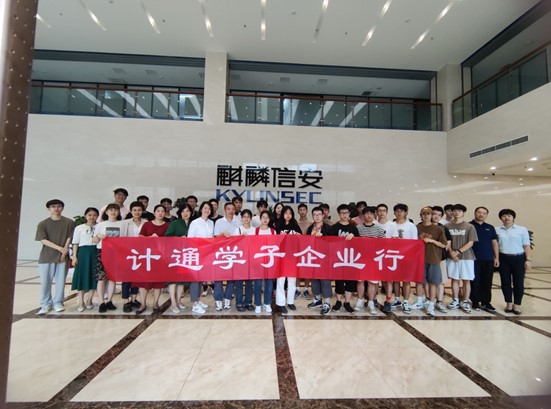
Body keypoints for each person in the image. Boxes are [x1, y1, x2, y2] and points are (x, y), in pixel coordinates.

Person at [35, 199, 75, 314]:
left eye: (59, 206)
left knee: (61, 281)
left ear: (62, 208)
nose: (56, 208)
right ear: (49, 209)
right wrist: (60, 249)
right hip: (46, 257)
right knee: (45, 282)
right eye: (53, 206)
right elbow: (43, 240)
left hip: (63, 257)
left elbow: (70, 237)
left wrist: (64, 251)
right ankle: (45, 304)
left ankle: (58, 302)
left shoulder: (69, 222)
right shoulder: (43, 224)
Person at [133, 205, 170, 314]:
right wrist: (150, 237)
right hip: (147, 257)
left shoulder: (168, 225)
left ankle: (155, 303)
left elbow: (170, 240)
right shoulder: (147, 224)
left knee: (158, 282)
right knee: (144, 281)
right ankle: (143, 303)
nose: (160, 213)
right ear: (154, 213)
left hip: (160, 257)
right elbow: (140, 237)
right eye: (158, 211)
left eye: (162, 211)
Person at [496, 208, 531, 315]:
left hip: (518, 258)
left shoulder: (522, 229)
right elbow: (495, 245)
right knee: (505, 282)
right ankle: (509, 304)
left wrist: (528, 259)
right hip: (503, 258)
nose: (506, 218)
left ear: (513, 217)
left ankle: (517, 305)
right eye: (504, 216)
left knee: (518, 282)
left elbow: (526, 245)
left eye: (509, 215)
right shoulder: (497, 230)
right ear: (501, 218)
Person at [385, 203, 419, 313]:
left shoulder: (411, 226)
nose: (399, 213)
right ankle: (397, 299)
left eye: (401, 211)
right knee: (395, 279)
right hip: (394, 255)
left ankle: (406, 301)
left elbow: (414, 243)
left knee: (406, 280)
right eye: (397, 211)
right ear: (394, 212)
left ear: (406, 212)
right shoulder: (391, 225)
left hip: (407, 256)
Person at [446, 204, 478, 314]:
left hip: (466, 257)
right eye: (454, 211)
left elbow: (471, 242)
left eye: (459, 211)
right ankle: (455, 300)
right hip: (452, 257)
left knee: (466, 280)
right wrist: (451, 253)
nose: (456, 213)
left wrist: (458, 252)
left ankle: (465, 301)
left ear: (463, 213)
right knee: (454, 279)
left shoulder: (469, 226)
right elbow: (446, 242)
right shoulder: (447, 226)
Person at [417, 207, 448, 317]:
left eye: (428, 214)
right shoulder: (416, 227)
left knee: (433, 283)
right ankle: (421, 301)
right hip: (419, 259)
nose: (426, 216)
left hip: (433, 259)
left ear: (431, 215)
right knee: (420, 282)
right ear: (421, 215)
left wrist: (432, 241)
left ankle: (431, 304)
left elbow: (444, 244)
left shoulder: (437, 229)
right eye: (423, 214)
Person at [329, 204, 359, 313]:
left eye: (346, 212)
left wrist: (354, 237)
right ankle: (338, 302)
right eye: (342, 213)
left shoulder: (353, 228)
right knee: (339, 281)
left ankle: (347, 302)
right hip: (338, 258)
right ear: (339, 214)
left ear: (349, 214)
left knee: (350, 281)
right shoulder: (334, 227)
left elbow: (359, 243)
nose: (344, 215)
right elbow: (330, 242)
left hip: (351, 259)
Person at [164, 204, 194, 313]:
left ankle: (179, 301)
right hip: (175, 255)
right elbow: (167, 237)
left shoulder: (193, 223)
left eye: (188, 211)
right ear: (180, 213)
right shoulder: (175, 223)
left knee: (182, 280)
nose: (185, 213)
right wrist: (179, 238)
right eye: (183, 211)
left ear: (191, 213)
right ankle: (173, 303)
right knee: (173, 279)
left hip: (187, 255)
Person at [356, 206, 386, 314]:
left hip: (374, 260)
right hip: (360, 259)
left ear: (374, 215)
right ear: (363, 215)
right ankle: (359, 301)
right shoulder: (358, 228)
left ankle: (371, 302)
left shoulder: (379, 229)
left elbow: (384, 244)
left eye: (371, 213)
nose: (369, 215)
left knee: (372, 283)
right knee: (360, 281)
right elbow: (353, 244)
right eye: (367, 213)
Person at [93, 203, 122, 313]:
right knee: (101, 278)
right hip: (102, 252)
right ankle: (102, 302)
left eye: (115, 210)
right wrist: (98, 236)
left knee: (112, 278)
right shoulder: (101, 225)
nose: (113, 212)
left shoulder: (122, 224)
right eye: (111, 210)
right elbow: (94, 240)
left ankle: (109, 300)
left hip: (116, 253)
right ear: (106, 212)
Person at [470, 206, 499, 312]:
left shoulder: (490, 227)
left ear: (486, 215)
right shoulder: (469, 226)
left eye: (484, 213)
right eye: (479, 212)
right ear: (475, 213)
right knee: (474, 281)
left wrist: (496, 257)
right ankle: (475, 301)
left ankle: (486, 302)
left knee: (487, 281)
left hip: (488, 258)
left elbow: (494, 243)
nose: (481, 214)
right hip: (473, 258)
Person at [187, 201, 214, 314]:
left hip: (207, 254)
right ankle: (195, 304)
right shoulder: (195, 222)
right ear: (201, 209)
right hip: (197, 254)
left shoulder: (211, 223)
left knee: (201, 279)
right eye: (205, 208)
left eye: (209, 209)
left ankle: (198, 300)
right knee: (195, 279)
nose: (207, 210)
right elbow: (190, 238)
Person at [214, 202, 242, 311]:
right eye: (228, 209)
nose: (231, 211)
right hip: (220, 253)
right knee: (218, 278)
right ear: (225, 210)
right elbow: (215, 237)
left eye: (233, 209)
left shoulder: (238, 222)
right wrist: (223, 234)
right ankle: (218, 300)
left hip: (233, 253)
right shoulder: (219, 222)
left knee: (232, 277)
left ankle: (227, 299)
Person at [120, 201, 147, 312]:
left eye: (139, 210)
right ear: (131, 211)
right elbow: (121, 239)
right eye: (134, 210)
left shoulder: (146, 222)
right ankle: (126, 301)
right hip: (128, 253)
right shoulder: (125, 223)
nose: (137, 212)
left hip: (141, 254)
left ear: (142, 211)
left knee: (137, 277)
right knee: (126, 278)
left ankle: (134, 299)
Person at [306, 206, 333, 315]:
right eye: (314, 215)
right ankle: (317, 299)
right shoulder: (310, 228)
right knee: (314, 279)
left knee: (325, 280)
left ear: (323, 215)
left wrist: (323, 237)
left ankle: (327, 302)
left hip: (325, 258)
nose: (317, 217)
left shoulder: (329, 228)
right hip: (313, 257)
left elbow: (333, 243)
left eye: (319, 214)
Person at [71, 207, 99, 312]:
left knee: (94, 277)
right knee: (82, 277)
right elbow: (75, 243)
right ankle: (81, 301)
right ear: (85, 216)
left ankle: (89, 300)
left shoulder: (100, 227)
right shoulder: (79, 228)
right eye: (89, 215)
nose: (92, 217)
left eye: (94, 215)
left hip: (96, 252)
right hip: (83, 253)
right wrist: (74, 256)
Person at [274, 206, 301, 313]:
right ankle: (280, 303)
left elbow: (301, 240)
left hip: (292, 257)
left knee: (292, 280)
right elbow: (274, 242)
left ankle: (290, 302)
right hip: (281, 257)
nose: (288, 215)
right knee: (280, 281)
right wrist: (280, 237)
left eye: (290, 213)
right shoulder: (278, 226)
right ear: (283, 214)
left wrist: (299, 236)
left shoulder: (295, 225)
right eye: (286, 213)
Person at [232, 209, 255, 312]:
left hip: (251, 260)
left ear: (251, 218)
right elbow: (234, 243)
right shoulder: (238, 229)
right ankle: (239, 302)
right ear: (241, 218)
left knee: (249, 283)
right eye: (244, 217)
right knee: (239, 283)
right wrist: (241, 238)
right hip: (240, 260)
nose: (246, 219)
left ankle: (248, 302)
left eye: (248, 217)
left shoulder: (254, 230)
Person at [254, 211, 275, 314]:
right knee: (257, 283)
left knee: (269, 283)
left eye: (267, 217)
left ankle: (267, 303)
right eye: (263, 217)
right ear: (260, 218)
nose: (265, 219)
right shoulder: (256, 230)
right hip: (258, 261)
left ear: (269, 219)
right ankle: (258, 304)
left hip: (269, 260)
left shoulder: (273, 231)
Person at [431, 205, 451, 313]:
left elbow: (447, 244)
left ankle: (439, 301)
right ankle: (429, 300)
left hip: (440, 258)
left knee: (440, 281)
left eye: (439, 215)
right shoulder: (422, 226)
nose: (436, 216)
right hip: (427, 258)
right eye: (434, 214)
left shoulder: (443, 228)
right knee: (428, 281)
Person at [295, 202, 312, 300]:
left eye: (304, 210)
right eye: (300, 210)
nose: (302, 211)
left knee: (307, 270)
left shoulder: (311, 222)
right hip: (297, 249)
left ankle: (306, 289)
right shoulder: (295, 222)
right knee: (297, 270)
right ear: (298, 211)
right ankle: (297, 289)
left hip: (308, 249)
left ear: (307, 211)